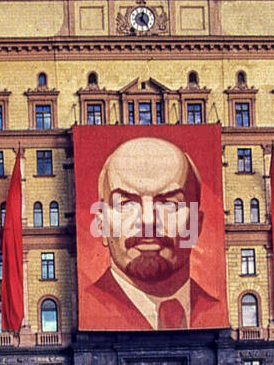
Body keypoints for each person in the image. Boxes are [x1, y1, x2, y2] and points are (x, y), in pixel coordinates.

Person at [87, 136, 224, 329]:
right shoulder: (90, 309)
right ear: (101, 225)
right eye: (126, 203)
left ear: (196, 225)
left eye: (169, 203)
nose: (148, 221)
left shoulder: (214, 312)